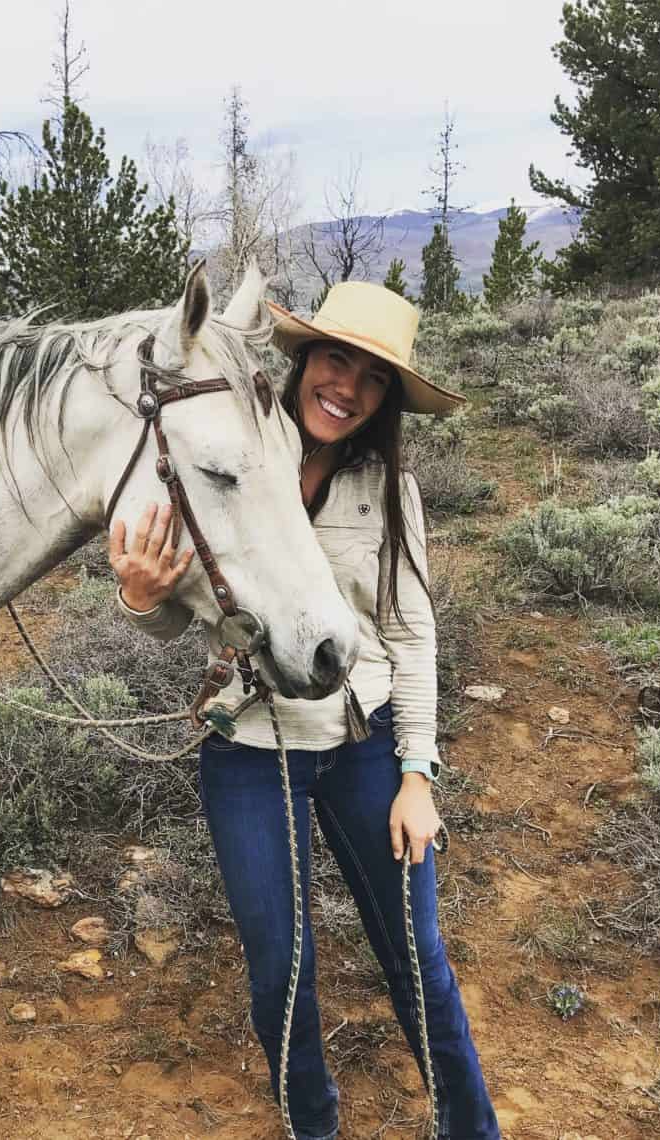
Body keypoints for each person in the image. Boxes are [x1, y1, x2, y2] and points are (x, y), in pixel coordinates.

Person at [108, 282, 500, 1140]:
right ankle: (312, 1125)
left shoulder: (388, 488)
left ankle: (470, 1128)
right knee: (280, 969)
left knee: (417, 955)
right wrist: (142, 599)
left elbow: (413, 632)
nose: (347, 386)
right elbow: (180, 612)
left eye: (372, 376)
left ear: (387, 397)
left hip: (366, 742)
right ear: (302, 362)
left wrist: (418, 773)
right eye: (335, 359)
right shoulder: (229, 455)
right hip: (251, 748)